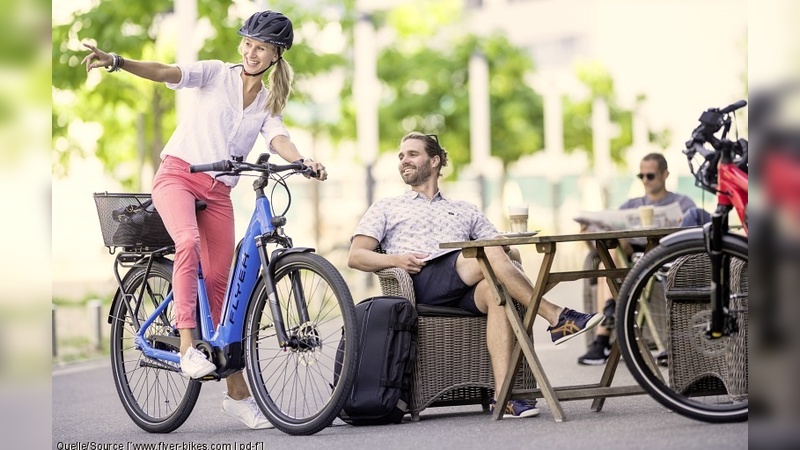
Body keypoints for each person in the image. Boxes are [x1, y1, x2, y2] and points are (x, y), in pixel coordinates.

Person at [81, 10, 328, 429]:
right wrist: (118, 61)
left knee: (221, 284)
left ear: (275, 55)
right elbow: (166, 71)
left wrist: (302, 160)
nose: (251, 52)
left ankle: (236, 395)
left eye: (261, 47)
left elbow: (278, 137)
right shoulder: (215, 74)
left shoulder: (268, 99)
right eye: (248, 43)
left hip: (220, 193)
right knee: (188, 245)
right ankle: (187, 347)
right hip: (179, 176)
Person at [347, 132, 603, 419]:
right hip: (421, 279)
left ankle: (502, 396)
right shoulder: (387, 207)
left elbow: (503, 253)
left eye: (412, 154)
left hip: (463, 284)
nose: (404, 160)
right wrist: (396, 259)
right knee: (488, 252)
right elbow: (356, 256)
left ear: (434, 161)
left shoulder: (464, 209)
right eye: (401, 156)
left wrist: (509, 253)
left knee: (496, 290)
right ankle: (555, 315)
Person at [578, 152, 705, 366]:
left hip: (665, 259)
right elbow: (600, 243)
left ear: (665, 174)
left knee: (607, 269)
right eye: (641, 176)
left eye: (650, 175)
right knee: (607, 256)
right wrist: (589, 234)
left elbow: (694, 235)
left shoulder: (683, 203)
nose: (645, 181)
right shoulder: (631, 205)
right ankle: (607, 320)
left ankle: (602, 338)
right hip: (632, 259)